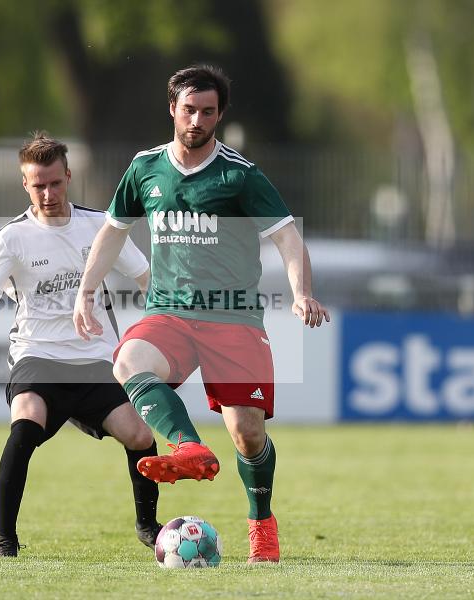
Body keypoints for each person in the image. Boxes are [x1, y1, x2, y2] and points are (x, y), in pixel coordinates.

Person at [73, 65, 329, 564]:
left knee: (248, 434)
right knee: (128, 359)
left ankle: (262, 526)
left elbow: (287, 236)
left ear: (219, 115)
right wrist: (85, 291)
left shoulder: (240, 175)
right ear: (172, 108)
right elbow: (112, 230)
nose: (197, 120)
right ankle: (189, 448)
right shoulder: (145, 168)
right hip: (170, 312)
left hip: (234, 320)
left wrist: (301, 293)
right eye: (189, 109)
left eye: (207, 111)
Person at [0, 133, 161, 557]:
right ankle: (5, 539)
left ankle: (148, 526)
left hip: (95, 358)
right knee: (27, 422)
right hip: (38, 355)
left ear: (68, 176)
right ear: (25, 185)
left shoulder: (101, 227)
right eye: (38, 185)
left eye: (55, 183)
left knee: (140, 436)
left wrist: (166, 315)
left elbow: (145, 278)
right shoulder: (11, 238)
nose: (48, 193)